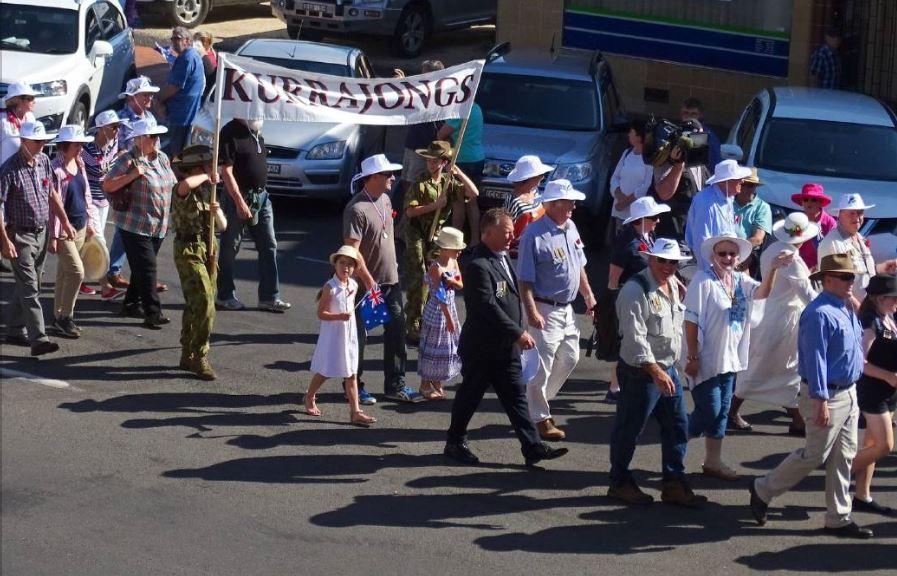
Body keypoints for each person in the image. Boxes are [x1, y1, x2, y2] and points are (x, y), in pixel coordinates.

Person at [749, 254, 873, 540]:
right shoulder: (819, 313)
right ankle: (763, 488)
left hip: (848, 391)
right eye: (845, 277)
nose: (850, 282)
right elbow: (815, 359)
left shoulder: (844, 306)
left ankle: (838, 518)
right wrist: (820, 399)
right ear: (827, 280)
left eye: (851, 277)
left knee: (844, 456)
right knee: (814, 454)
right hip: (827, 393)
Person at [444, 208, 569, 467]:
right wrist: (518, 332)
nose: (513, 235)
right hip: (483, 348)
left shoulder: (502, 258)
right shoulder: (478, 265)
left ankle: (532, 446)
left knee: (516, 398)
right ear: (489, 233)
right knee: (469, 396)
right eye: (507, 231)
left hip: (505, 349)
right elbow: (487, 306)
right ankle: (455, 441)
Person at [684, 232, 790, 481]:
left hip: (730, 358)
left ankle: (713, 461)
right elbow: (691, 319)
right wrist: (691, 355)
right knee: (709, 409)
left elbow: (762, 293)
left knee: (721, 412)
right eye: (722, 253)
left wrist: (773, 269)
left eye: (732, 253)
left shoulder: (740, 280)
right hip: (706, 358)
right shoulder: (703, 280)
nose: (728, 257)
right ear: (713, 256)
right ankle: (675, 442)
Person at [609, 238, 707, 506]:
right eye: (662, 260)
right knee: (629, 430)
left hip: (667, 369)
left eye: (673, 262)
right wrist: (655, 371)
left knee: (677, 427)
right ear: (650, 259)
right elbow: (634, 337)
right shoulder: (634, 290)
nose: (667, 266)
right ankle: (618, 482)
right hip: (642, 372)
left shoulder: (674, 285)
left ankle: (674, 483)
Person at [517, 179, 597, 441]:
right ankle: (541, 417)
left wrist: (588, 295)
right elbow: (525, 278)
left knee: (571, 357)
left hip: (566, 309)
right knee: (542, 364)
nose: (574, 206)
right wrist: (531, 311)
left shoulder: (571, 227)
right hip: (544, 307)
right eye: (568, 201)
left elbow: (579, 265)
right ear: (552, 204)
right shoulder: (534, 234)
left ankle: (537, 402)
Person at [729, 212, 820, 434]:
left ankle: (796, 419)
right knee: (777, 367)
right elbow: (806, 294)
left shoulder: (773, 248)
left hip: (771, 314)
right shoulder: (792, 258)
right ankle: (732, 412)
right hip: (784, 322)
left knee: (776, 368)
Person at [344, 153, 420, 404]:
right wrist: (367, 280)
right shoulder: (356, 209)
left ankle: (395, 383)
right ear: (373, 177)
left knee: (397, 331)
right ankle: (356, 386)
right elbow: (351, 251)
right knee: (360, 337)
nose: (393, 178)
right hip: (365, 286)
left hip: (390, 281)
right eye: (387, 174)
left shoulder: (386, 200)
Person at [0, 121, 74, 356]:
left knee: (31, 284)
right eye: (37, 141)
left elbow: (51, 192)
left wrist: (64, 220)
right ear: (23, 141)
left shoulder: (43, 162)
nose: (42, 145)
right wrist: (4, 240)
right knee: (30, 287)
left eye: (44, 141)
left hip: (40, 233)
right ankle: (39, 339)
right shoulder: (9, 170)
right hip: (19, 234)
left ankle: (13, 328)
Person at [102, 117, 177, 329]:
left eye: (157, 136)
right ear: (140, 139)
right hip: (135, 225)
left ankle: (131, 303)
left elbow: (172, 182)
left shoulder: (162, 158)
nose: (156, 139)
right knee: (148, 267)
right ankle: (153, 312)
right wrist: (133, 175)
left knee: (140, 267)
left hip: (158, 224)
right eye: (152, 136)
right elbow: (107, 185)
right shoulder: (127, 160)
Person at [403, 140, 477, 343]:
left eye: (436, 161)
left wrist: (459, 173)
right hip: (417, 232)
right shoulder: (421, 182)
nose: (431, 164)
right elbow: (410, 211)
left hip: (437, 235)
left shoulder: (448, 183)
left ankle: (429, 318)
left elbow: (473, 193)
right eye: (429, 160)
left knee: (438, 274)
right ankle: (413, 322)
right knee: (419, 277)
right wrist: (435, 205)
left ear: (444, 162)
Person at [216, 117, 291, 313]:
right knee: (230, 246)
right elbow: (226, 172)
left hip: (261, 197)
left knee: (269, 245)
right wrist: (239, 201)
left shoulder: (256, 131)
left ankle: (269, 297)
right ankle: (225, 295)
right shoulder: (230, 132)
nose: (261, 114)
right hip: (238, 197)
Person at [602, 196, 671, 403]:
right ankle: (615, 387)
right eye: (654, 217)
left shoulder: (648, 237)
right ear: (641, 219)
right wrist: (612, 307)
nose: (658, 220)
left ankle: (620, 385)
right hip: (629, 298)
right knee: (625, 342)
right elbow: (613, 278)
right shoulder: (627, 242)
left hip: (645, 297)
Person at [305, 245, 377, 426]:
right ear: (335, 265)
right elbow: (321, 314)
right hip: (333, 334)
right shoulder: (330, 287)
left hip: (348, 334)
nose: (346, 268)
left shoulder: (353, 284)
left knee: (351, 372)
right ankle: (309, 396)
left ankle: (356, 412)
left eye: (350, 265)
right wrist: (339, 316)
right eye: (342, 263)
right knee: (325, 370)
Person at [170, 144, 220, 381]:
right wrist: (207, 176)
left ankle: (187, 352)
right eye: (208, 165)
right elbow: (184, 186)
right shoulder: (183, 188)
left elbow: (223, 225)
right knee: (205, 304)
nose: (213, 169)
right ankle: (200, 355)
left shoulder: (206, 192)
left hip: (207, 248)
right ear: (197, 168)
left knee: (195, 304)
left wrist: (216, 210)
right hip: (187, 249)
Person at [851, 274, 897, 516]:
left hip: (889, 390)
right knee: (884, 445)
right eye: (893, 298)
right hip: (873, 390)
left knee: (871, 443)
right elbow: (861, 363)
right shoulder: (870, 321)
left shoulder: (887, 316)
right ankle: (839, 474)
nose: (896, 302)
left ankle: (862, 495)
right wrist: (888, 376)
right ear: (880, 298)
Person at [112, 76, 162, 293]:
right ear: (132, 97)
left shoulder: (149, 116)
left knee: (138, 229)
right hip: (129, 179)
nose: (150, 97)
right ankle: (115, 271)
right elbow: (118, 153)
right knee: (126, 226)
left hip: (147, 178)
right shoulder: (121, 120)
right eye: (145, 94)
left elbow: (156, 147)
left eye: (150, 94)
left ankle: (139, 276)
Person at [49, 125, 99, 339]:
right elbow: (52, 205)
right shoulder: (55, 169)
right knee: (77, 272)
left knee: (64, 273)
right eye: (77, 144)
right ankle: (66, 317)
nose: (81, 148)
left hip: (79, 227)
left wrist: (89, 222)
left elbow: (85, 193)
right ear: (65, 145)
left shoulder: (79, 163)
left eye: (81, 144)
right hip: (63, 230)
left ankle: (57, 316)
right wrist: (53, 235)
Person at [818, 193, 896, 305]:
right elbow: (836, 287)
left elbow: (861, 273)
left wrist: (881, 269)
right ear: (839, 215)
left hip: (869, 307)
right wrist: (860, 311)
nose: (856, 217)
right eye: (851, 213)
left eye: (860, 212)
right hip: (849, 312)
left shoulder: (859, 238)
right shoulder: (832, 243)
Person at [418, 226, 465, 400]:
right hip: (438, 310)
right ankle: (425, 383)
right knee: (434, 345)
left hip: (450, 306)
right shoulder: (435, 267)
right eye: (455, 249)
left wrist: (451, 280)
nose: (458, 253)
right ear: (444, 249)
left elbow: (460, 284)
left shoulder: (453, 263)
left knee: (445, 347)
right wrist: (449, 319)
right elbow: (439, 294)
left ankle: (437, 382)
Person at [81, 110, 123, 298]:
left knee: (87, 241)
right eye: (114, 127)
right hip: (88, 200)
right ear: (102, 129)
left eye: (118, 126)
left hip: (104, 200)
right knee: (99, 241)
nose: (117, 130)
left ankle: (78, 279)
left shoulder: (113, 143)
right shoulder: (87, 149)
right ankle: (106, 287)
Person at [684, 159, 750, 270]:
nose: (742, 181)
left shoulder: (728, 198)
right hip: (709, 269)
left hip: (724, 264)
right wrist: (711, 274)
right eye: (738, 178)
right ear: (726, 181)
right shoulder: (705, 201)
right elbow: (701, 242)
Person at [438, 102, 483, 244]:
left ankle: (455, 240)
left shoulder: (460, 109)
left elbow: (442, 134)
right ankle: (475, 240)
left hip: (461, 160)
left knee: (458, 203)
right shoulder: (477, 107)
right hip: (477, 157)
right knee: (472, 202)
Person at [157, 26, 205, 157]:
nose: (173, 41)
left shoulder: (186, 58)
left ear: (187, 40)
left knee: (175, 147)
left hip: (181, 111)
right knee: (179, 145)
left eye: (177, 38)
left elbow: (174, 86)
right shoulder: (191, 55)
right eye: (172, 38)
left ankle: (173, 171)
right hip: (186, 110)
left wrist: (160, 101)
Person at [400, 60, 445, 193]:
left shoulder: (441, 95)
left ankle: (415, 211)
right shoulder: (422, 90)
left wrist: (404, 84)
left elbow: (420, 99)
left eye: (424, 75)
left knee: (416, 185)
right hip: (411, 144)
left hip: (423, 149)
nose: (421, 77)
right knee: (406, 181)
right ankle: (408, 209)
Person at [503, 154, 552, 258]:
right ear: (529, 178)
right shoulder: (512, 201)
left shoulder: (535, 192)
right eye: (540, 175)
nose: (542, 177)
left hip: (540, 247)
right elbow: (505, 230)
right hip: (520, 254)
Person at [609, 119, 654, 225]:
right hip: (619, 211)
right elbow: (615, 177)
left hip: (636, 216)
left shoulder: (650, 157)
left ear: (639, 136)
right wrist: (619, 196)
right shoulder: (626, 153)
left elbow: (646, 184)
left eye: (631, 132)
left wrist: (627, 201)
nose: (628, 134)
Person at [732, 168, 771, 278]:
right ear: (738, 184)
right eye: (744, 184)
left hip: (749, 251)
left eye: (751, 185)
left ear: (755, 187)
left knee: (744, 266)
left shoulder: (762, 207)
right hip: (723, 248)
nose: (747, 189)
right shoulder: (727, 202)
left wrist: (736, 252)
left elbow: (758, 239)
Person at [791, 183, 836, 270]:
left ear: (820, 203)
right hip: (799, 267)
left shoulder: (830, 223)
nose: (809, 203)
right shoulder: (796, 221)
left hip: (824, 269)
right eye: (806, 199)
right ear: (802, 202)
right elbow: (790, 246)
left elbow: (834, 251)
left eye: (814, 200)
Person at [0, 81, 38, 166]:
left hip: (24, 171)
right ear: (18, 100)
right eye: (30, 98)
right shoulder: (2, 119)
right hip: (4, 173)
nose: (34, 101)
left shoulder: (30, 117)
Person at [679, 97, 722, 171]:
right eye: (686, 113)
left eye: (693, 114)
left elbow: (714, 165)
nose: (689, 117)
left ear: (700, 115)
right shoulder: (678, 132)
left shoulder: (707, 136)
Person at [193, 30, 217, 98]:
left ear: (209, 42)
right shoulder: (196, 54)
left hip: (210, 85)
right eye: (197, 41)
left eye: (203, 41)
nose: (200, 44)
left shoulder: (214, 54)